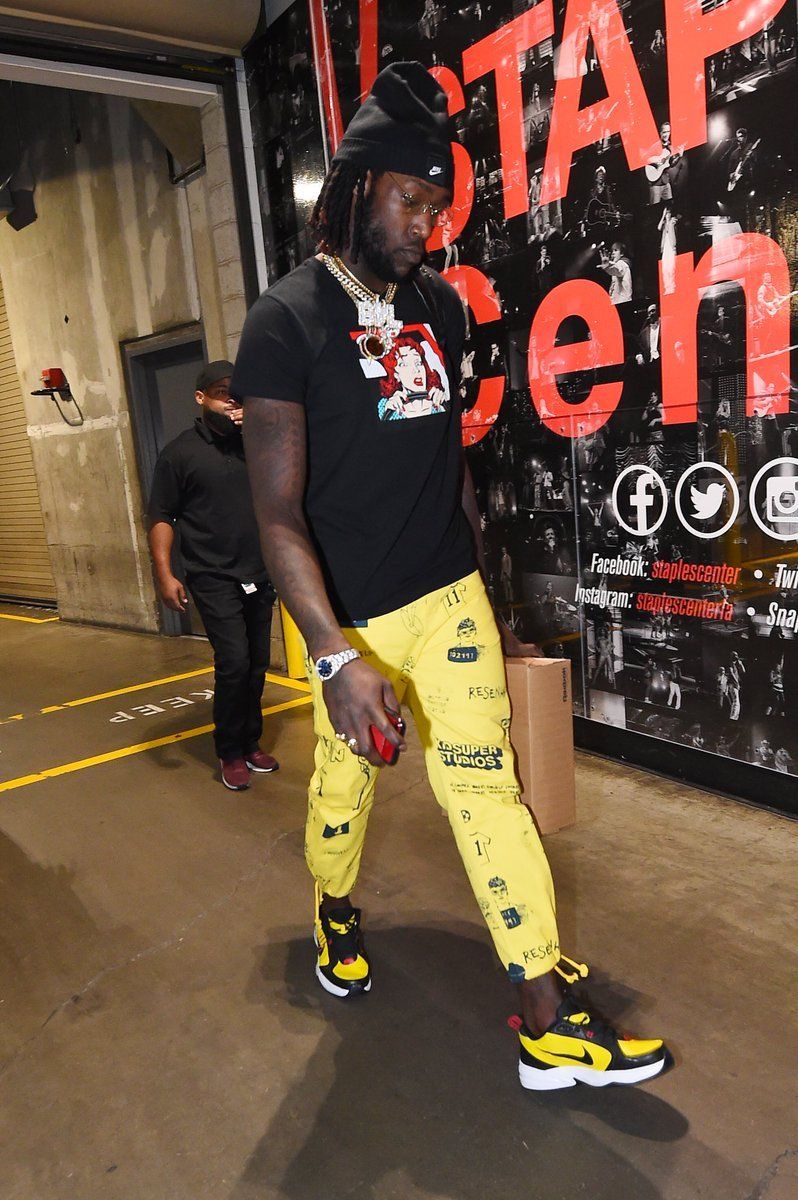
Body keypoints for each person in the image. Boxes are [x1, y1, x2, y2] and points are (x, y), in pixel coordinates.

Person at [234, 61, 670, 1092]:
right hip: (349, 616)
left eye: (438, 207)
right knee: (345, 791)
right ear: (355, 189)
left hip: (447, 598)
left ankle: (543, 1011)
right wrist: (333, 657)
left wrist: (492, 597)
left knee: (487, 789)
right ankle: (333, 908)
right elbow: (277, 515)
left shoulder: (440, 306)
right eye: (410, 201)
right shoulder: (286, 321)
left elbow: (452, 463)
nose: (427, 227)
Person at [147, 361, 278, 791]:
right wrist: (165, 573)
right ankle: (230, 751)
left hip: (259, 570)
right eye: (223, 394)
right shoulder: (179, 453)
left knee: (257, 662)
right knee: (234, 661)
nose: (231, 401)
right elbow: (161, 515)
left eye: (237, 394)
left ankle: (250, 741)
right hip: (211, 574)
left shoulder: (255, 443)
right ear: (201, 398)